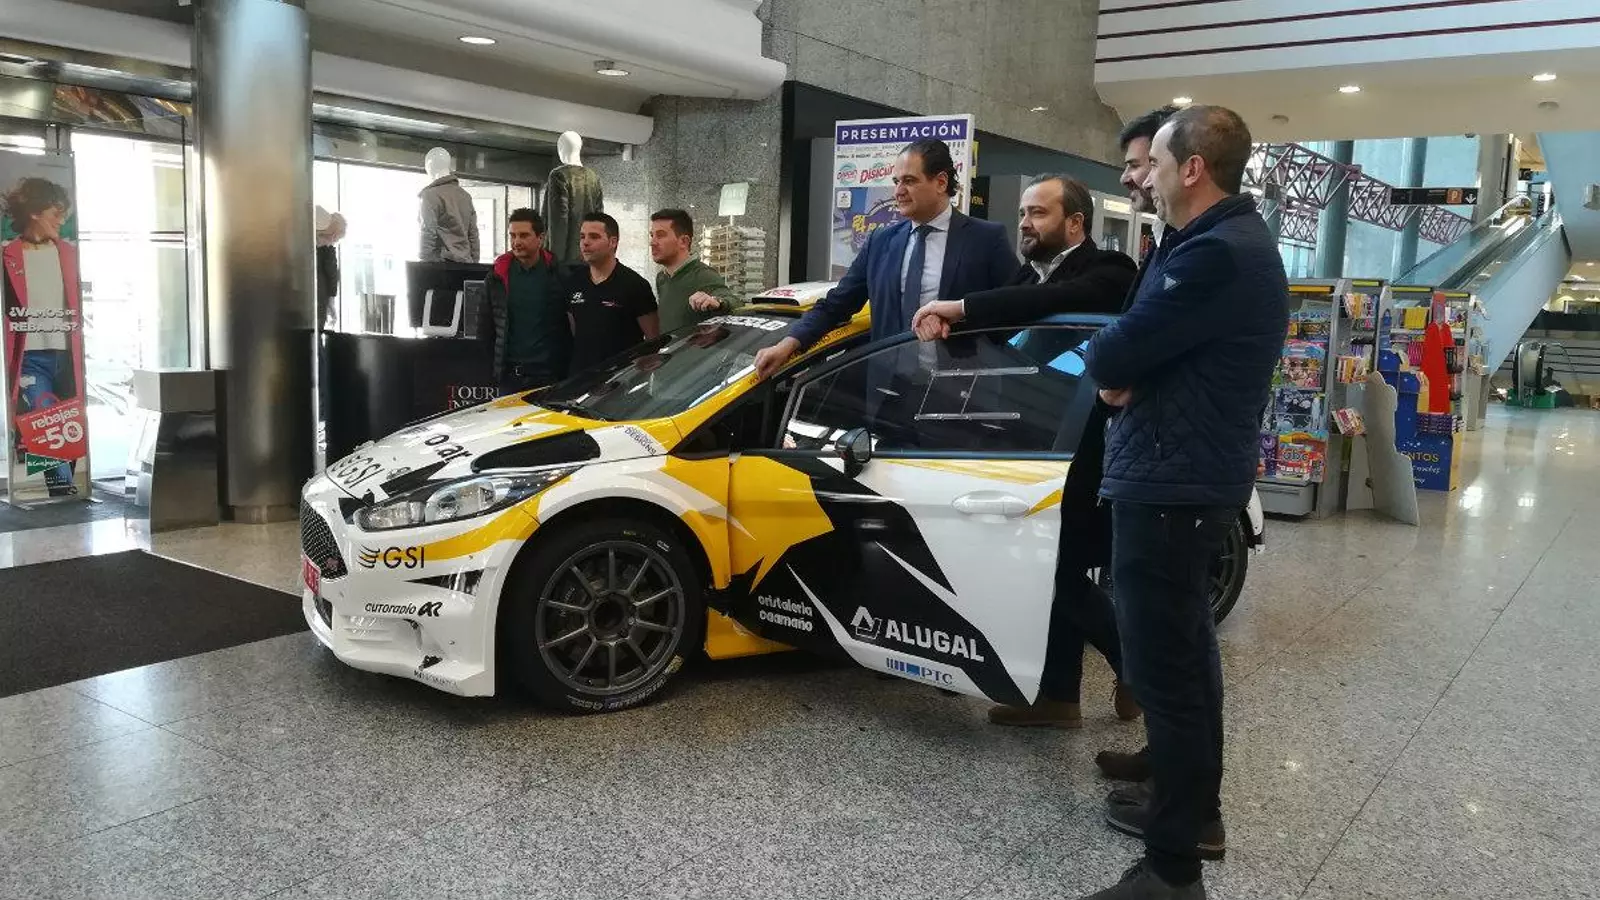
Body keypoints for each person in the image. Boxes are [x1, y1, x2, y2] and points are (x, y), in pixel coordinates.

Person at [1075, 105, 1288, 900]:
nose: (1147, 177)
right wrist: (1128, 365)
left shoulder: (1215, 254)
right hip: (1182, 476)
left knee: (1169, 673)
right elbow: (1140, 344)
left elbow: (1114, 348)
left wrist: (1120, 368)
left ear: (1192, 168)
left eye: (1156, 164)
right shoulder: (1207, 243)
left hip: (1173, 483)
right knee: (1185, 664)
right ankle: (1191, 815)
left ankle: (1171, 870)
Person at [911, 174, 1139, 728]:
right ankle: (1059, 698)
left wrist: (959, 306)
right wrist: (948, 327)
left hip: (1085, 451)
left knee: (1059, 570)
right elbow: (1000, 336)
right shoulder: (1025, 274)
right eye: (1022, 213)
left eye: (1038, 213)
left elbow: (1050, 302)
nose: (1025, 224)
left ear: (1075, 223)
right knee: (1046, 570)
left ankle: (1130, 665)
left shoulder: (1110, 270)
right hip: (1030, 444)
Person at [752, 138, 1016, 380]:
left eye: (909, 181)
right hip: (888, 393)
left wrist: (958, 318)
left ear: (941, 182)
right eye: (896, 181)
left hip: (963, 391)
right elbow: (836, 305)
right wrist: (787, 345)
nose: (898, 191)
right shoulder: (880, 241)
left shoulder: (986, 238)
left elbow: (1014, 309)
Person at [2, 177, 82, 497]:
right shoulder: (7, 255)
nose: (61, 221)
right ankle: (62, 491)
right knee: (43, 424)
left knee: (69, 428)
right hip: (31, 357)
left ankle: (63, 491)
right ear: (35, 212)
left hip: (68, 354)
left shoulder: (69, 253)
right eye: (56, 213)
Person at [482, 208, 572, 395]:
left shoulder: (559, 274)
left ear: (541, 238)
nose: (516, 242)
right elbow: (485, 328)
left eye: (523, 235)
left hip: (549, 376)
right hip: (510, 377)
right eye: (512, 235)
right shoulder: (497, 276)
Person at [567, 212, 659, 372]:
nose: (585, 242)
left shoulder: (635, 284)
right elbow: (575, 329)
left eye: (594, 237)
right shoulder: (574, 281)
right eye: (582, 237)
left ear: (613, 242)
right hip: (580, 377)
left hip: (621, 379)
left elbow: (653, 339)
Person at [649, 209, 738, 334]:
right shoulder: (662, 278)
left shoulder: (703, 275)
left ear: (683, 241)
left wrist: (717, 301)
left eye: (660, 235)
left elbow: (735, 303)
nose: (652, 242)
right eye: (652, 235)